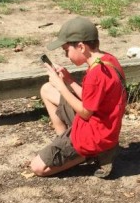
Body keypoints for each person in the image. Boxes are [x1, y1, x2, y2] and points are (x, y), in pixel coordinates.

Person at [29, 17, 126, 178]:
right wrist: (69, 80)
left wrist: (61, 86)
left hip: (96, 134)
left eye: (67, 50)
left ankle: (88, 153)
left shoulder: (96, 75)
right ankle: (65, 143)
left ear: (81, 46)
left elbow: (85, 112)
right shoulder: (107, 60)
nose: (67, 56)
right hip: (103, 123)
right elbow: (92, 100)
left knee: (37, 168)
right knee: (47, 90)